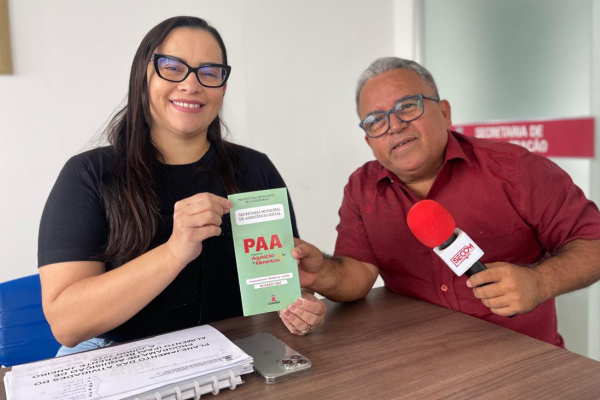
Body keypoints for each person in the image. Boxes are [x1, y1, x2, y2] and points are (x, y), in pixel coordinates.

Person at [38, 16, 326, 356]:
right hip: (115, 356)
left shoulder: (254, 169)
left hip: (232, 351)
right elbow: (67, 324)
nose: (191, 85)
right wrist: (175, 251)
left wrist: (299, 307)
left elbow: (282, 280)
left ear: (223, 86)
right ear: (143, 76)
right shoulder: (89, 175)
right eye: (173, 68)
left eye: (209, 72)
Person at [293, 57, 600, 346]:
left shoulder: (515, 169)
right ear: (369, 141)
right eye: (375, 121)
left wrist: (539, 282)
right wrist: (320, 273)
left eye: (407, 106)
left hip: (523, 359)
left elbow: (593, 243)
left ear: (444, 113)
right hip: (422, 361)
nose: (394, 126)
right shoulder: (362, 188)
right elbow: (357, 273)